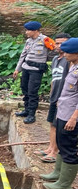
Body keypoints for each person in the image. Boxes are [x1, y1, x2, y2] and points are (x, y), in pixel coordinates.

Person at [41, 37, 78, 189]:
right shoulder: (72, 66)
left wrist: (74, 117)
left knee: (69, 147)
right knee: (61, 143)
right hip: (63, 111)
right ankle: (57, 173)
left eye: (68, 52)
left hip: (71, 116)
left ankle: (64, 184)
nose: (65, 54)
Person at [13, 21, 55, 124]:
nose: (26, 32)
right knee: (25, 89)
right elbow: (22, 55)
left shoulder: (45, 40)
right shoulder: (28, 41)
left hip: (36, 70)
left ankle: (31, 114)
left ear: (35, 30)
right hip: (26, 68)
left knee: (32, 92)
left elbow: (55, 51)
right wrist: (17, 69)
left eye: (28, 30)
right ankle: (26, 110)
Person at [38, 33, 71, 162]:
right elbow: (54, 79)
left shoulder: (69, 61)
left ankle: (55, 152)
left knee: (58, 125)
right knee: (52, 123)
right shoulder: (55, 60)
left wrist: (62, 98)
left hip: (63, 98)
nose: (58, 46)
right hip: (54, 96)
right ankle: (50, 148)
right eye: (57, 43)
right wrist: (52, 94)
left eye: (62, 43)